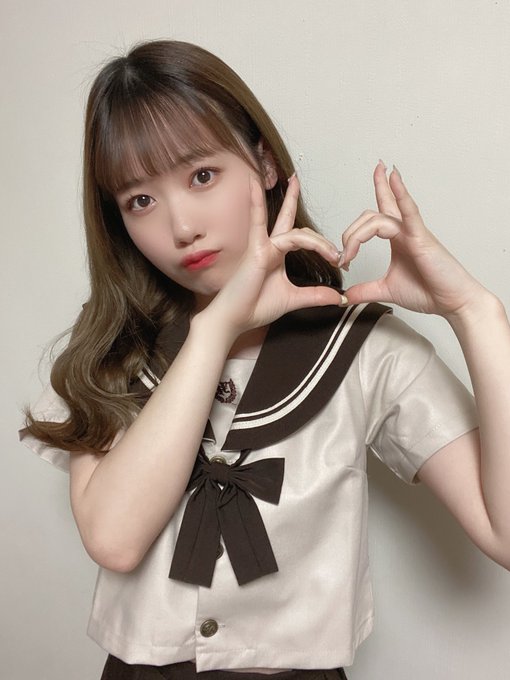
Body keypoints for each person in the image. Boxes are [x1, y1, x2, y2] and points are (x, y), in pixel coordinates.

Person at [19, 39, 510, 680]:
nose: (181, 227)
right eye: (140, 200)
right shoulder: (108, 351)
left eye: (202, 175)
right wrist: (218, 327)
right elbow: (114, 539)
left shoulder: (366, 351)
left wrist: (476, 311)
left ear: (266, 163)